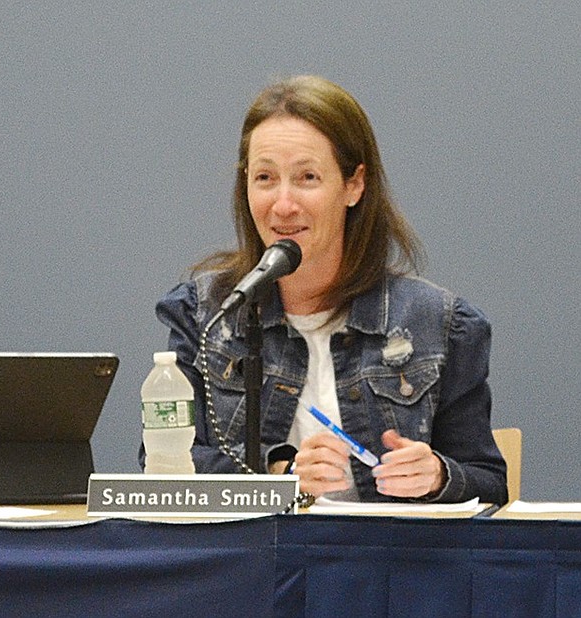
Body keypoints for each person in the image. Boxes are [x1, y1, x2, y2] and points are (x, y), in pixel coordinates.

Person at [153, 75, 507, 504]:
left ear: (354, 185)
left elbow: (490, 482)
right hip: (251, 564)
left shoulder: (438, 323)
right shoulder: (209, 314)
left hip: (384, 564)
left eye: (307, 177)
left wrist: (436, 475)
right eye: (265, 178)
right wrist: (280, 473)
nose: (282, 204)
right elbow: (164, 467)